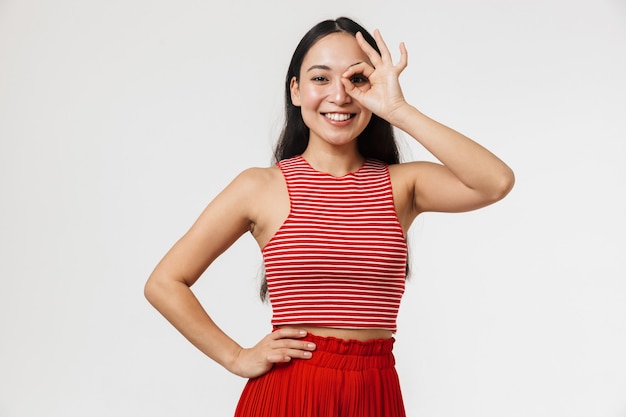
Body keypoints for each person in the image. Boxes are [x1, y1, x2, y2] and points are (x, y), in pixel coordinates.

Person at [144, 16, 515, 417]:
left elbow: (494, 181)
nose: (339, 95)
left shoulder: (402, 185)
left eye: (356, 80)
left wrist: (397, 109)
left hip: (374, 391)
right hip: (290, 392)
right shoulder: (261, 187)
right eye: (320, 79)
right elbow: (165, 282)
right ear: (296, 90)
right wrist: (236, 357)